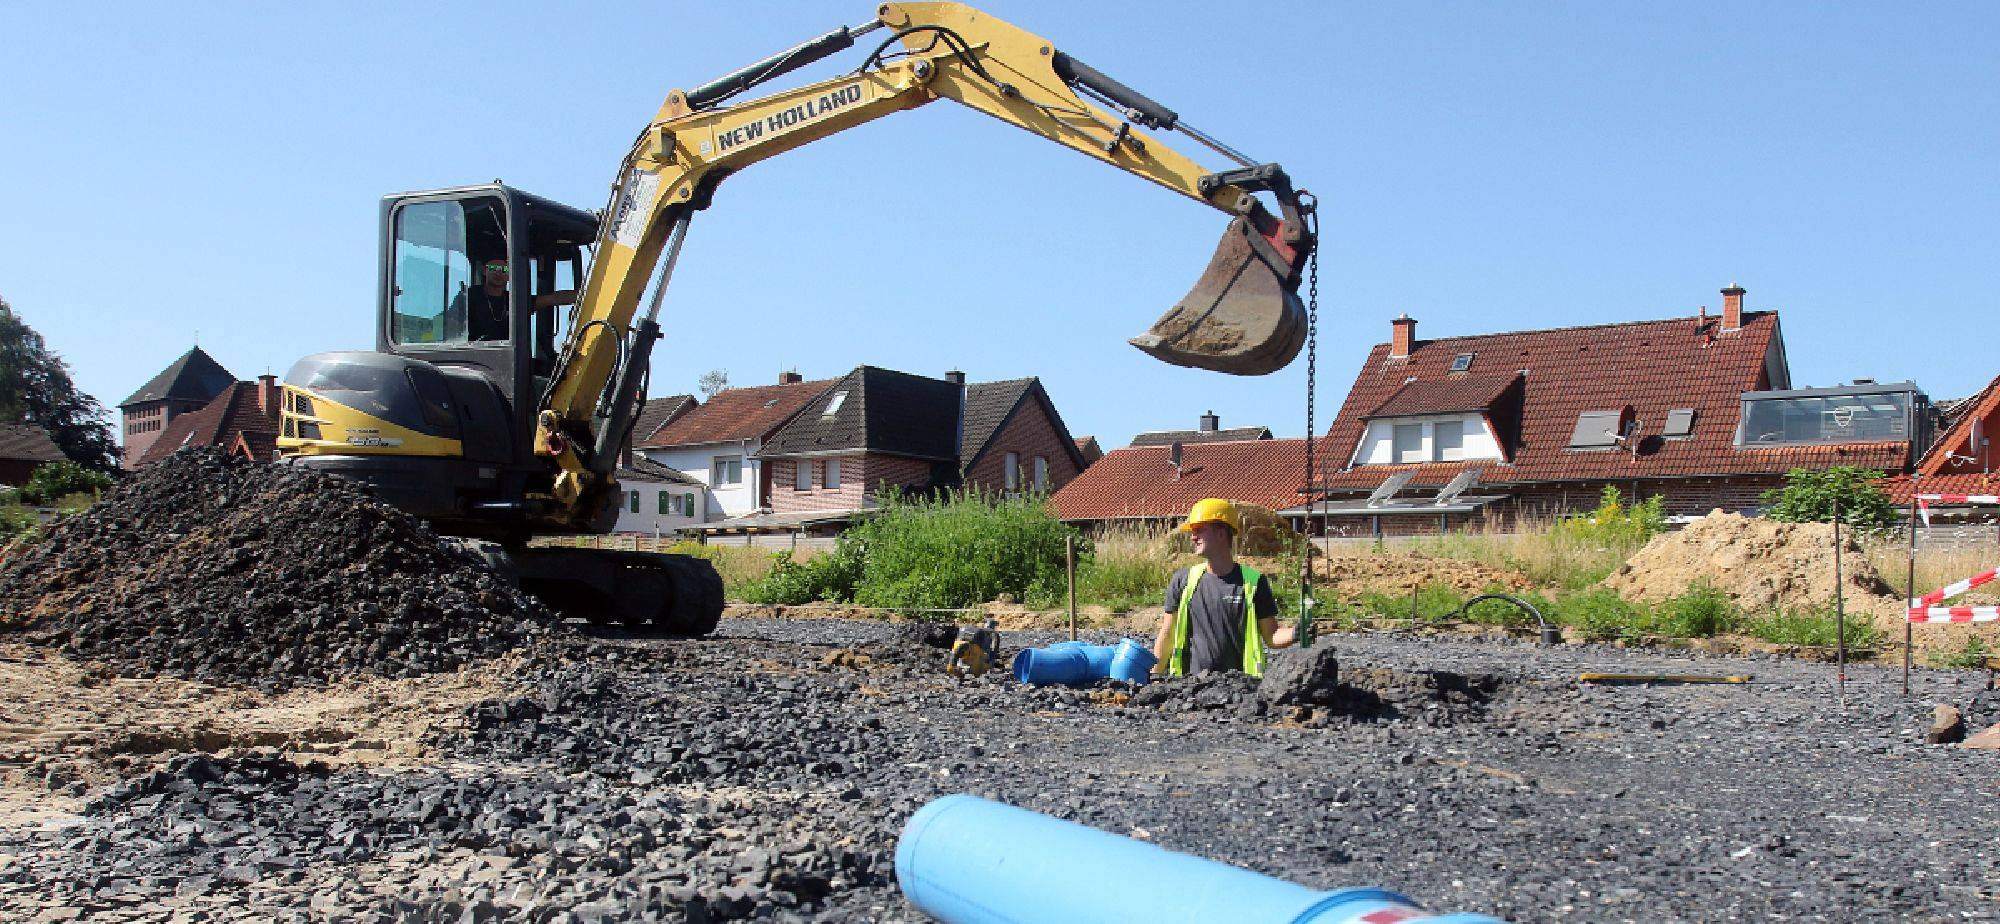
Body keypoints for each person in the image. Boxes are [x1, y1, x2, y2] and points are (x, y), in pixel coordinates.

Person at [1151, 498, 1296, 677]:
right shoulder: (1183, 581)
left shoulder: (1254, 582)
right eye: (1192, 531)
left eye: (1199, 530)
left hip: (1240, 691)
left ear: (1221, 533)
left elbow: (1272, 635)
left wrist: (1297, 633)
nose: (1193, 537)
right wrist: (1153, 676)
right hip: (1191, 689)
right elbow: (1167, 636)